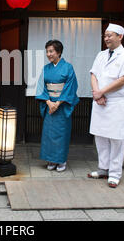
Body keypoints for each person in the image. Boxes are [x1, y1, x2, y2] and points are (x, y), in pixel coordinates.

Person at [87, 23, 124, 188]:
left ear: (120, 36)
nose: (106, 38)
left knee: (116, 139)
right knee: (100, 137)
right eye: (105, 35)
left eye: (110, 35)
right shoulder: (100, 54)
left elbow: (123, 79)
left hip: (115, 101)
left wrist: (102, 92)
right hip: (99, 101)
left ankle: (115, 174)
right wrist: (97, 93)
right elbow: (93, 74)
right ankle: (103, 168)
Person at [35, 40, 79, 172]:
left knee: (61, 133)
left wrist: (58, 103)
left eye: (51, 51)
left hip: (62, 105)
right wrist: (48, 102)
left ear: (59, 52)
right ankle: (51, 160)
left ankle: (61, 160)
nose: (48, 54)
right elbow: (41, 87)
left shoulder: (68, 67)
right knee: (48, 134)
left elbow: (71, 86)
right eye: (47, 51)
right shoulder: (46, 69)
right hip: (49, 104)